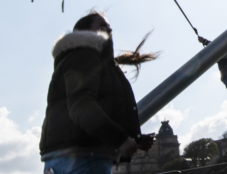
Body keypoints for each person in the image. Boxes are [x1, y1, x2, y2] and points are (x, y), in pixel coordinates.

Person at [40, 10, 158, 174]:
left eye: (110, 27)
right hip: (84, 157)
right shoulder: (85, 56)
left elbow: (100, 108)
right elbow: (82, 106)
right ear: (86, 32)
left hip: (70, 155)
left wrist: (133, 139)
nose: (109, 30)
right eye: (103, 26)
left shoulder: (86, 59)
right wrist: (120, 139)